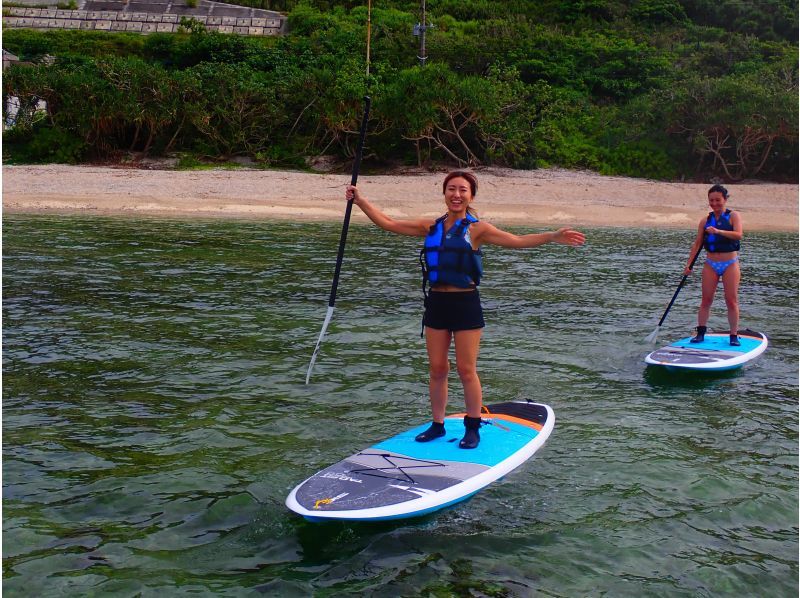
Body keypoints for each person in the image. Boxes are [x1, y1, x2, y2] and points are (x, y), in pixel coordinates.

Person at [345, 170, 585, 449]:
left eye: (463, 190)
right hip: (436, 302)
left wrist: (552, 236)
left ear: (471, 196)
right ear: (444, 193)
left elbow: (517, 241)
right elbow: (388, 223)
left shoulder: (477, 229)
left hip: (465, 303)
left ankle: (473, 427)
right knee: (437, 368)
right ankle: (437, 425)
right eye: (451, 189)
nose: (456, 195)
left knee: (466, 369)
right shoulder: (431, 227)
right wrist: (360, 201)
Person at [684, 184, 743, 346]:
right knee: (706, 300)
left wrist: (718, 231)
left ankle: (733, 335)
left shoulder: (733, 216)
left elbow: (738, 235)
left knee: (731, 300)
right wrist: (689, 264)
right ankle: (701, 332)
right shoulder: (705, 221)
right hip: (711, 264)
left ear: (725, 199)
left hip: (730, 263)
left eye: (718, 200)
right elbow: (697, 244)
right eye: (711, 200)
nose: (715, 203)